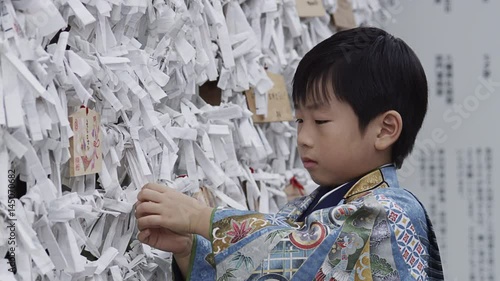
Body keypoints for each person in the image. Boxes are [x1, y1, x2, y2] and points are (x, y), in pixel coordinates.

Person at [134, 27, 445, 281]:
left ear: (384, 129)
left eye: (320, 121)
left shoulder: (394, 216)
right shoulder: (303, 211)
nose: (304, 138)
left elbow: (300, 254)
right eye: (299, 120)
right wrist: (190, 252)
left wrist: (200, 218)